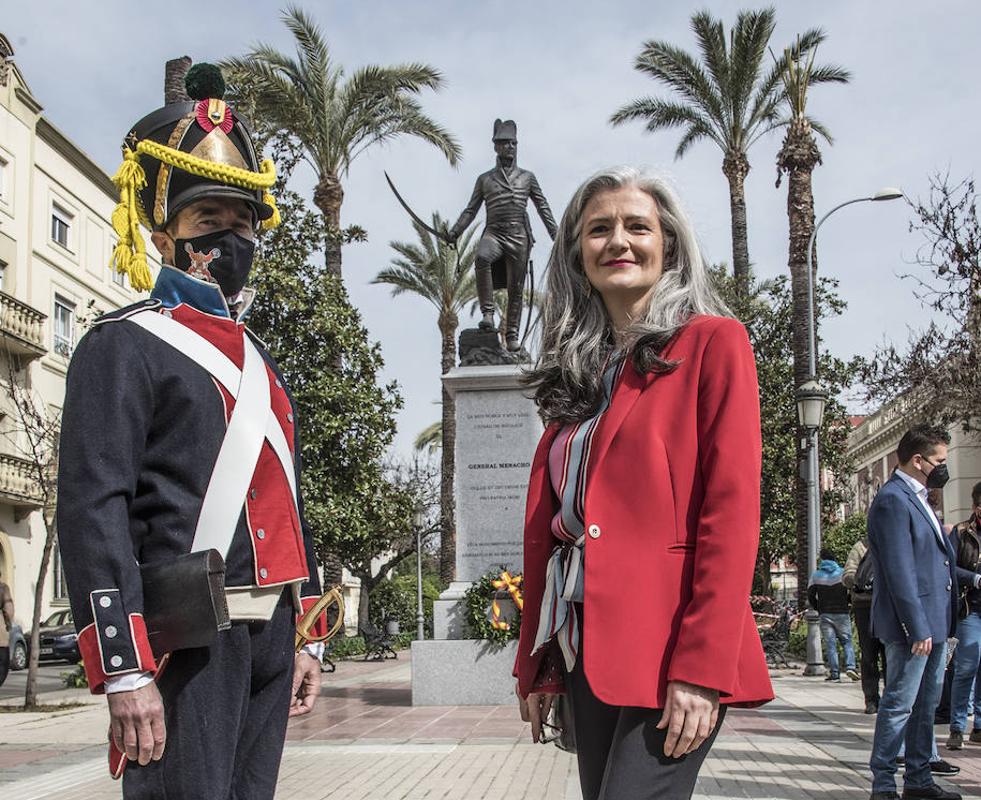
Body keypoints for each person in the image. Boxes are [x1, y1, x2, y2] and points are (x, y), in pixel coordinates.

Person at [56, 63, 328, 800]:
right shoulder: (122, 343)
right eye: (208, 222)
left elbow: (285, 504)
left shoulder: (259, 359)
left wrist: (307, 634)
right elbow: (93, 508)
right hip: (185, 640)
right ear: (163, 229)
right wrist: (124, 666)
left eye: (241, 223)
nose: (229, 239)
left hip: (269, 636)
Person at [513, 166, 773, 800]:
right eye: (599, 229)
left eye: (637, 226)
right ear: (577, 252)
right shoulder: (578, 373)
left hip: (674, 648)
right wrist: (540, 663)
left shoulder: (714, 342)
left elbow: (730, 514)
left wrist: (702, 668)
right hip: (586, 647)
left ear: (670, 245)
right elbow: (560, 528)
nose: (618, 242)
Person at [867, 425, 959, 800]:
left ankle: (919, 780)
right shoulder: (892, 499)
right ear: (917, 460)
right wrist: (916, 625)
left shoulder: (921, 497)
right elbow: (898, 568)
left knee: (925, 705)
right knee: (900, 705)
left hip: (935, 622)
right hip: (914, 625)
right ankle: (884, 784)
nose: (943, 468)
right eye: (939, 461)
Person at [447, 119, 558, 351]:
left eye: (513, 143)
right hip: (494, 233)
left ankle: (512, 336)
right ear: (496, 147)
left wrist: (557, 236)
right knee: (482, 258)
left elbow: (543, 207)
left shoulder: (527, 177)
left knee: (516, 288)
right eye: (505, 143)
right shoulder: (485, 179)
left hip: (518, 235)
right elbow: (471, 209)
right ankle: (488, 314)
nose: (510, 147)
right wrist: (455, 232)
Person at [946, 482, 981, 750]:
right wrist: (975, 579)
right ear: (976, 507)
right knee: (967, 666)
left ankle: (979, 726)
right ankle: (957, 726)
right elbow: (947, 568)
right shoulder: (960, 533)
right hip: (970, 608)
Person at [844, 536, 887, 712]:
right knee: (869, 654)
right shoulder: (861, 547)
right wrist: (864, 579)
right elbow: (847, 574)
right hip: (865, 606)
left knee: (890, 654)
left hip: (888, 607)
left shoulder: (894, 542)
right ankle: (871, 698)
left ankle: (890, 697)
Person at [808, 548, 859, 682]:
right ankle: (851, 667)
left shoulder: (816, 575)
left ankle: (835, 673)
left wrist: (818, 608)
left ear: (822, 559)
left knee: (830, 644)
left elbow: (810, 595)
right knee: (847, 642)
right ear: (834, 558)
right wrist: (848, 603)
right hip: (842, 612)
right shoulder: (842, 573)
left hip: (825, 613)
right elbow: (851, 591)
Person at [0, 580, 12, 687]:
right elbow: (8, 611)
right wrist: (8, 624)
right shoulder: (3, 588)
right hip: (1, 640)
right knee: (2, 667)